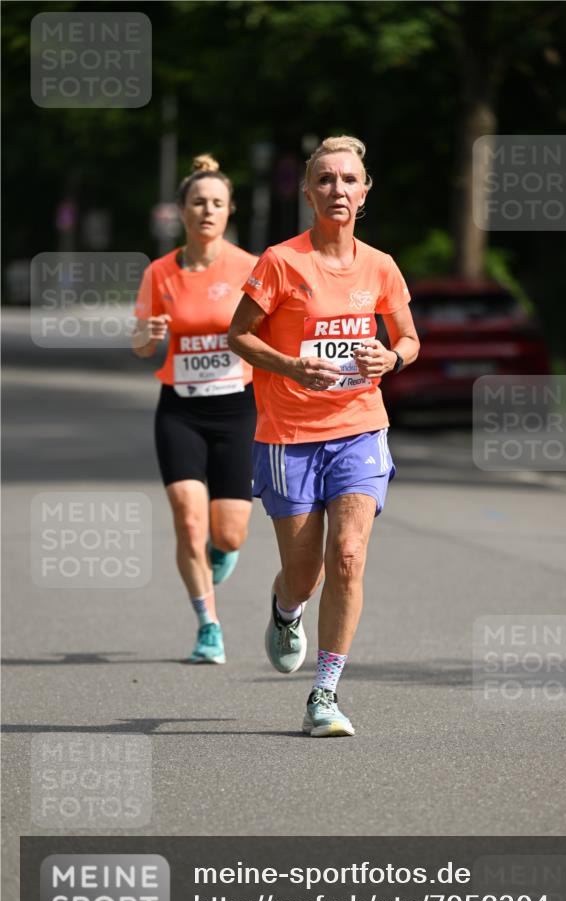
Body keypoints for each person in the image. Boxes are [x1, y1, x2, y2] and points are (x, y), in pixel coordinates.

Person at [228, 135, 419, 736]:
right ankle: (287, 610)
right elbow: (239, 336)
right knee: (305, 570)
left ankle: (325, 692)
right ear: (309, 191)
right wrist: (288, 365)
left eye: (350, 180)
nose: (339, 189)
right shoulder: (281, 262)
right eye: (327, 180)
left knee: (349, 555)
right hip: (288, 435)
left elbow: (409, 339)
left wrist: (392, 359)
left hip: (360, 427)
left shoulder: (381, 266)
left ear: (365, 193)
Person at [133, 154, 257, 664]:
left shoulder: (251, 266)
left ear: (229, 212)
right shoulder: (160, 273)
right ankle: (208, 624)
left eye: (218, 203)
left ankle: (220, 553)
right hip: (180, 409)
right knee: (189, 520)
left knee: (228, 533)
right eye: (199, 202)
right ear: (182, 210)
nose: (208, 210)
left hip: (237, 410)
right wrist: (149, 335)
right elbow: (141, 344)